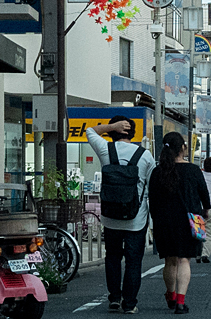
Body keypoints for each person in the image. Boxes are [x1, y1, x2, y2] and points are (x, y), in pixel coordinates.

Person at [87, 117, 155, 315]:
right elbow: (150, 188)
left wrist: (110, 127)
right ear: (132, 133)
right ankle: (129, 303)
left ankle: (114, 298)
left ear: (112, 132)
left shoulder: (105, 149)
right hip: (136, 218)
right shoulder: (145, 155)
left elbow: (90, 131)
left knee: (113, 257)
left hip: (111, 217)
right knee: (134, 261)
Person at [149, 132, 211, 315]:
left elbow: (152, 199)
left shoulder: (157, 171)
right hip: (190, 221)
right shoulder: (193, 170)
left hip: (164, 222)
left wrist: (155, 220)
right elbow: (204, 195)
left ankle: (171, 295)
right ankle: (181, 303)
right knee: (184, 260)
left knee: (170, 260)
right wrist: (205, 211)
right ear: (183, 148)